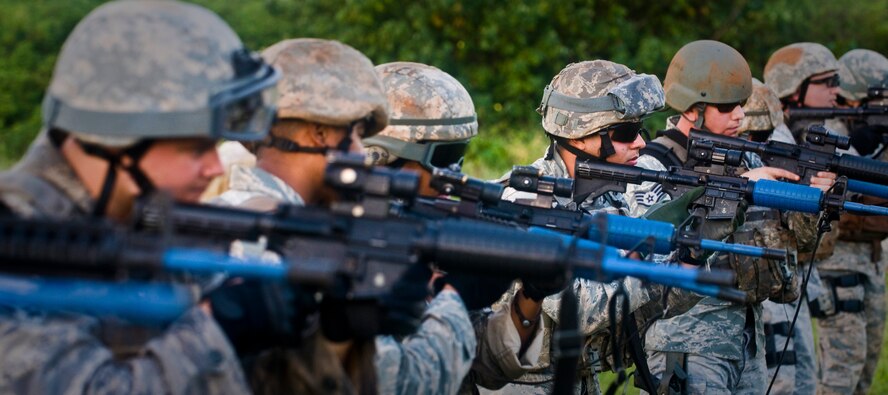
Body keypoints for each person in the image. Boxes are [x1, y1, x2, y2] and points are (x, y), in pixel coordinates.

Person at [0, 0, 280, 392]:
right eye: (195, 148)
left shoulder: (138, 218)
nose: (215, 168)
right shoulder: (17, 243)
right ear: (118, 140)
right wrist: (222, 328)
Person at [212, 40, 476, 395]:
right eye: (355, 135)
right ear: (320, 133)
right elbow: (393, 384)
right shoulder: (286, 242)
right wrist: (458, 298)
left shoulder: (227, 214)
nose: (360, 152)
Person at [473, 59, 702, 395]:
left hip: (581, 378)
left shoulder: (607, 198)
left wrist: (689, 263)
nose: (640, 142)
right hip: (523, 385)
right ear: (579, 138)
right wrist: (643, 264)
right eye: (626, 132)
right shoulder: (526, 199)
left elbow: (642, 309)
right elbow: (579, 309)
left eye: (640, 129)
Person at [629, 40, 831, 394]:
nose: (739, 115)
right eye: (726, 107)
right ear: (692, 109)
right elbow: (650, 255)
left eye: (740, 103)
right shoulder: (653, 165)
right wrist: (738, 187)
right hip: (685, 344)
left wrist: (813, 200)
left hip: (745, 340)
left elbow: (794, 241)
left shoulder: (746, 159)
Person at [765, 42, 876, 395]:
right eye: (827, 82)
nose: (836, 91)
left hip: (794, 274)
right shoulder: (774, 138)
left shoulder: (817, 129)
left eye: (837, 81)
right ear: (793, 89)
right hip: (774, 277)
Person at [738, 79, 827, 395]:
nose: (756, 144)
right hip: (728, 311)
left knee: (800, 381)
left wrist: (811, 198)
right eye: (750, 137)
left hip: (770, 294)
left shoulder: (760, 163)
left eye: (762, 137)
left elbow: (802, 238)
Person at [833, 48, 888, 395]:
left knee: (866, 369)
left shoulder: (874, 135)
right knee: (842, 372)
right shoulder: (831, 132)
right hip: (838, 262)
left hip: (871, 259)